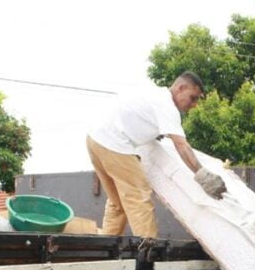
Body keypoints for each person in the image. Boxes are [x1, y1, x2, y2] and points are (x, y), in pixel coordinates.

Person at [86, 71, 226, 238]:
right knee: (139, 196)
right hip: (115, 144)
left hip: (94, 140)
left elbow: (137, 116)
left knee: (118, 203)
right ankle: (147, 248)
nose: (194, 104)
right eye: (193, 98)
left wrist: (153, 132)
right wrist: (203, 175)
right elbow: (181, 145)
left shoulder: (154, 93)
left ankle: (106, 244)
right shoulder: (167, 106)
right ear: (181, 88)